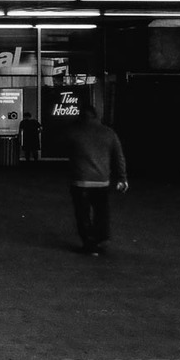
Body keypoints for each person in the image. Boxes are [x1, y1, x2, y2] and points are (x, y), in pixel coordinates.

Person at [65, 105, 128, 256]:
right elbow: (119, 156)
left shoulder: (74, 132)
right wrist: (122, 177)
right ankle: (101, 238)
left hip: (81, 180)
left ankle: (89, 244)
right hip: (101, 180)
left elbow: (63, 146)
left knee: (83, 213)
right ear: (97, 116)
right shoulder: (108, 133)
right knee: (102, 211)